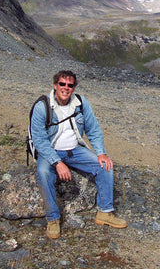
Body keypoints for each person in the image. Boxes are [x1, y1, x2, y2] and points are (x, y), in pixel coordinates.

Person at [31, 70, 127, 239]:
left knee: (105, 166)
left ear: (74, 87)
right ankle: (53, 219)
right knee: (44, 173)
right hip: (50, 151)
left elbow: (93, 129)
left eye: (70, 85)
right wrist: (57, 162)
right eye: (62, 84)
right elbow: (39, 140)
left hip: (75, 150)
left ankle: (105, 212)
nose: (65, 88)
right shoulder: (42, 107)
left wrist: (101, 153)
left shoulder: (81, 103)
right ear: (55, 85)